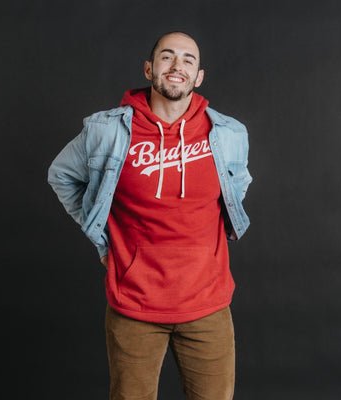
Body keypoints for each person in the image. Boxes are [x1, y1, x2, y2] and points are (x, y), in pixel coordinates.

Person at [48, 31, 252, 400]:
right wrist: (104, 243)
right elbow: (61, 174)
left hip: (207, 305)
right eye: (167, 56)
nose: (177, 66)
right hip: (134, 305)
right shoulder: (107, 131)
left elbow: (238, 185)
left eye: (188, 59)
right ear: (149, 69)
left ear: (199, 76)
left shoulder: (229, 133)